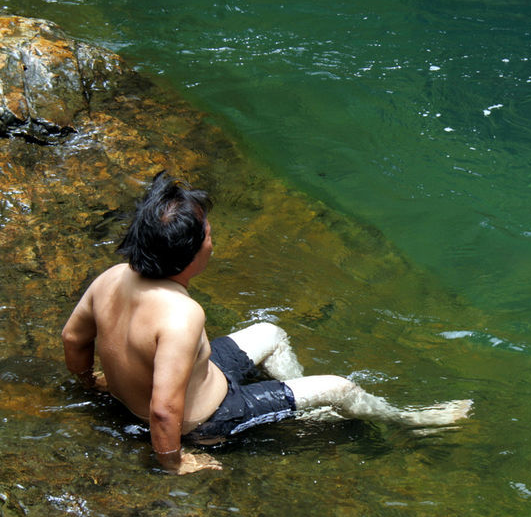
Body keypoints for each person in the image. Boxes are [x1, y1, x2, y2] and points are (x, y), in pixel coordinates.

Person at [62, 171, 472, 475]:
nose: (211, 235)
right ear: (191, 254)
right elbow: (166, 410)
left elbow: (73, 338)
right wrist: (174, 462)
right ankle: (411, 420)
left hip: (195, 380)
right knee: (339, 387)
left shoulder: (113, 277)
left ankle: (303, 411)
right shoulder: (182, 314)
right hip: (210, 418)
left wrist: (91, 382)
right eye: (207, 232)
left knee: (271, 334)